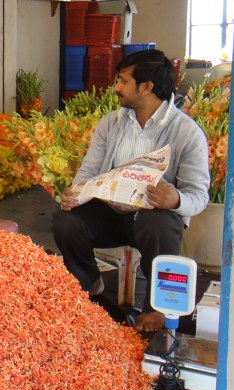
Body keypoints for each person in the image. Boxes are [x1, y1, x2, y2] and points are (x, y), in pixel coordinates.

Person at [51, 49, 210, 333]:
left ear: (146, 87)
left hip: (153, 219)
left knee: (158, 223)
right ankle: (90, 289)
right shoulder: (111, 123)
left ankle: (155, 307)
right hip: (111, 214)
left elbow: (198, 195)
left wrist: (175, 199)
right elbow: (89, 171)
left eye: (123, 81)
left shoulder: (187, 133)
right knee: (66, 221)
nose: (116, 88)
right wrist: (75, 193)